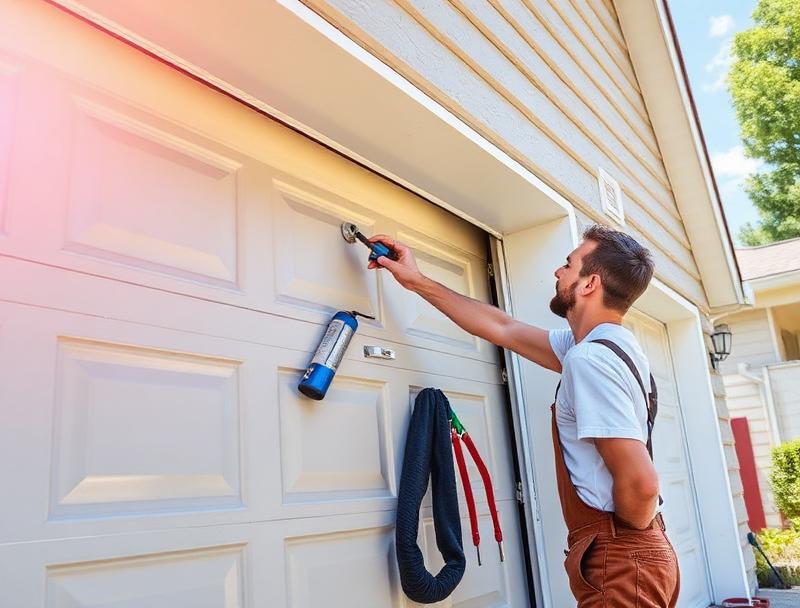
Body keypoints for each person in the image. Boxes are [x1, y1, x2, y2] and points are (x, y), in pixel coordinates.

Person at [368, 224, 680, 607]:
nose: (557, 272)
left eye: (568, 265)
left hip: (621, 555)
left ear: (588, 284)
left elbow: (642, 484)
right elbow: (504, 327)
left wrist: (622, 540)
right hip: (636, 552)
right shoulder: (611, 346)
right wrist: (416, 281)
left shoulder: (591, 359)